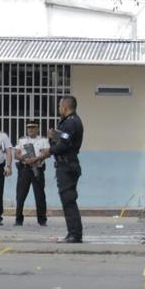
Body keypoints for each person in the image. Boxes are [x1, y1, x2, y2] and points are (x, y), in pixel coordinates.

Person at [38, 96, 84, 243]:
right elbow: (64, 139)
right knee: (67, 200)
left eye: (59, 106)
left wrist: (49, 151)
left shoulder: (71, 123)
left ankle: (75, 234)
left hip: (67, 166)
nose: (58, 109)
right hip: (66, 165)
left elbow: (64, 145)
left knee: (68, 200)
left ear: (64, 107)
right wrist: (53, 136)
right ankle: (73, 232)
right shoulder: (70, 122)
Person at [14, 120, 50, 227]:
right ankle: (18, 219)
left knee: (40, 196)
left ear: (37, 129)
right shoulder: (22, 140)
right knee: (20, 195)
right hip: (24, 169)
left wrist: (35, 158)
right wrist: (25, 159)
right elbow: (16, 154)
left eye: (33, 128)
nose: (31, 130)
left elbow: (47, 153)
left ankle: (42, 220)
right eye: (29, 128)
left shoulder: (43, 140)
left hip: (37, 169)